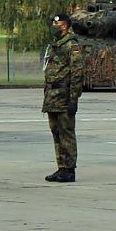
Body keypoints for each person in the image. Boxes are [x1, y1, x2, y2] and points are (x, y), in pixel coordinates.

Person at [42, 13, 84, 183]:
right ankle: (61, 166)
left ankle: (69, 169)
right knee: (56, 132)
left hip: (64, 95)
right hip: (52, 97)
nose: (54, 25)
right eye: (53, 22)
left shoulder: (72, 45)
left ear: (65, 25)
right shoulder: (55, 46)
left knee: (66, 133)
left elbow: (77, 74)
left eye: (57, 23)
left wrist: (74, 98)